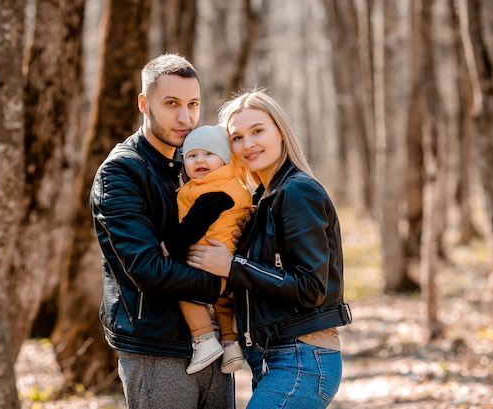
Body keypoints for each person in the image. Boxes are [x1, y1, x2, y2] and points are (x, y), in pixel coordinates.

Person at [186, 89, 352, 409]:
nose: (248, 144)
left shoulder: (298, 192)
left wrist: (233, 266)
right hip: (272, 358)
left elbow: (311, 287)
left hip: (302, 357)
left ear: (280, 131)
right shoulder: (261, 201)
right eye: (237, 137)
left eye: (258, 131)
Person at [90, 54, 234, 409]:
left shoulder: (195, 165)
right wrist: (227, 282)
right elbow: (148, 270)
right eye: (171, 104)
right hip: (156, 348)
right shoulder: (122, 173)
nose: (185, 117)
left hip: (214, 340)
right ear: (144, 103)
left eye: (193, 104)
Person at [161, 124, 252, 375]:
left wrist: (171, 246)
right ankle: (231, 346)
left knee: (184, 291)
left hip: (209, 260)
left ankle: (204, 340)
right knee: (224, 305)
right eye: (191, 155)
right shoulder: (231, 184)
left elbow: (195, 224)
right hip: (228, 262)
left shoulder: (215, 190)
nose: (199, 160)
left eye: (208, 154)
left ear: (225, 159)